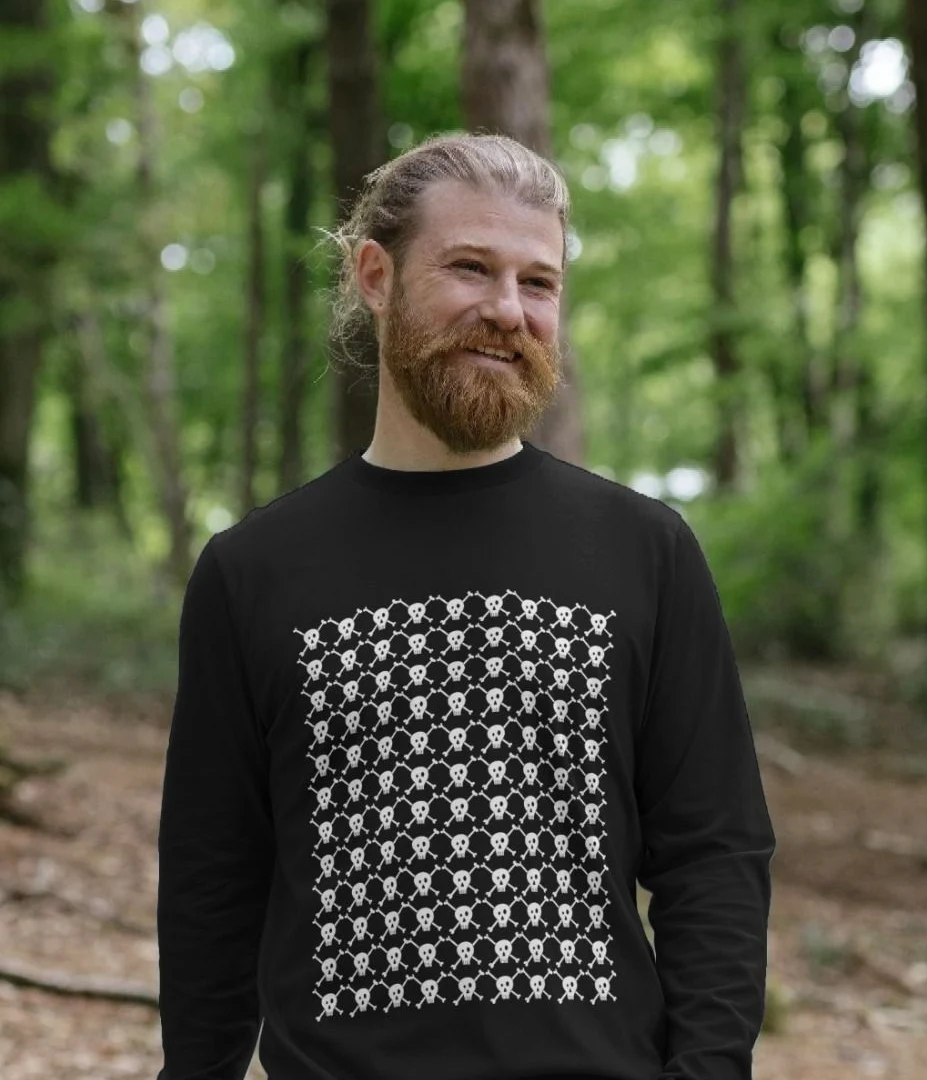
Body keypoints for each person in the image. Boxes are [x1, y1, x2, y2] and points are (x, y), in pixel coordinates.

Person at [156, 131, 776, 1080]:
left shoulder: (646, 552)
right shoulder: (252, 572)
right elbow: (212, 883)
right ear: (376, 276)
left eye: (539, 282)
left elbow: (714, 853)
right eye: (471, 268)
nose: (507, 310)